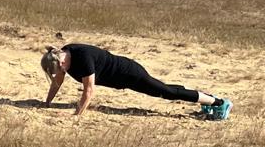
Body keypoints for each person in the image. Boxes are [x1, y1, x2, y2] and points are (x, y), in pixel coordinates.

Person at [41, 45, 230, 119]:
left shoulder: (83, 58)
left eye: (60, 70)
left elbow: (88, 92)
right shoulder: (63, 55)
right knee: (167, 89)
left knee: (166, 92)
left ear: (61, 62)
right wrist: (47, 102)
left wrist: (76, 115)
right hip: (120, 78)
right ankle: (209, 99)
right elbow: (57, 82)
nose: (60, 73)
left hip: (129, 73)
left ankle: (219, 103)